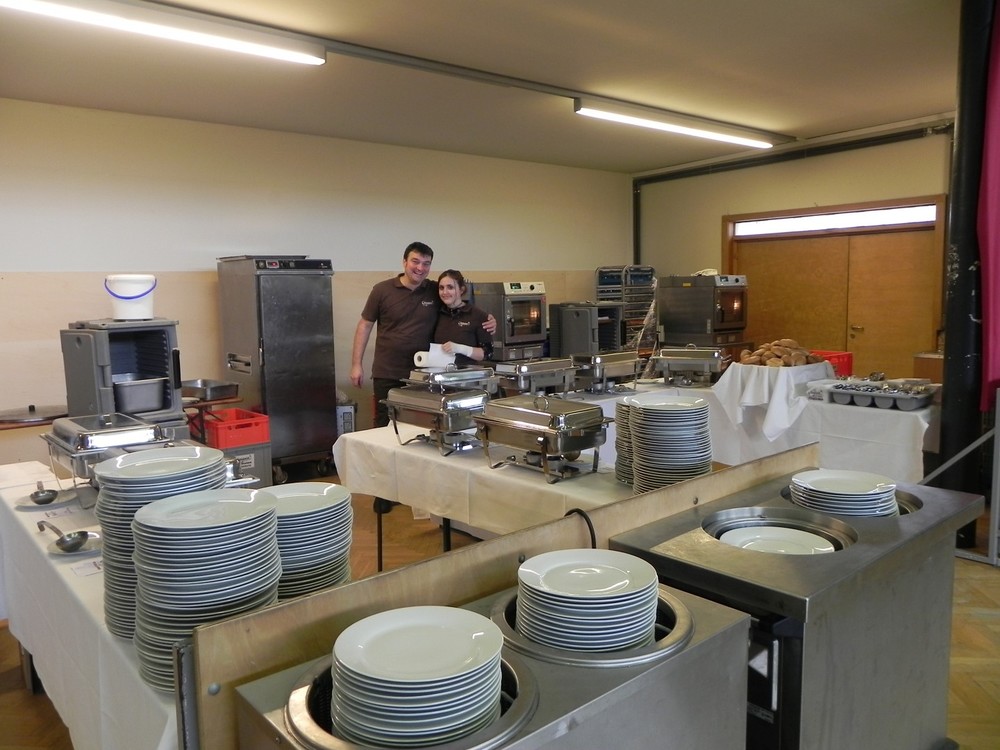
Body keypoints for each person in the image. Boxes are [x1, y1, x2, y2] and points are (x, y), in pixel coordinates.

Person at [350, 241, 495, 427]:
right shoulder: (382, 290)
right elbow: (365, 325)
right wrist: (356, 365)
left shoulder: (434, 290)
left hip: (424, 375)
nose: (420, 268)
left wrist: (488, 319)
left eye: (426, 263)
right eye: (415, 261)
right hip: (388, 372)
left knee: (418, 426)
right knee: (385, 423)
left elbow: (458, 303)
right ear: (404, 262)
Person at [434, 269, 494, 365]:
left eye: (450, 287)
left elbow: (488, 353)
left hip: (467, 372)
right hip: (440, 371)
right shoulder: (437, 313)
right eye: (441, 288)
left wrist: (461, 349)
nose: (445, 292)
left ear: (461, 290)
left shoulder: (478, 315)